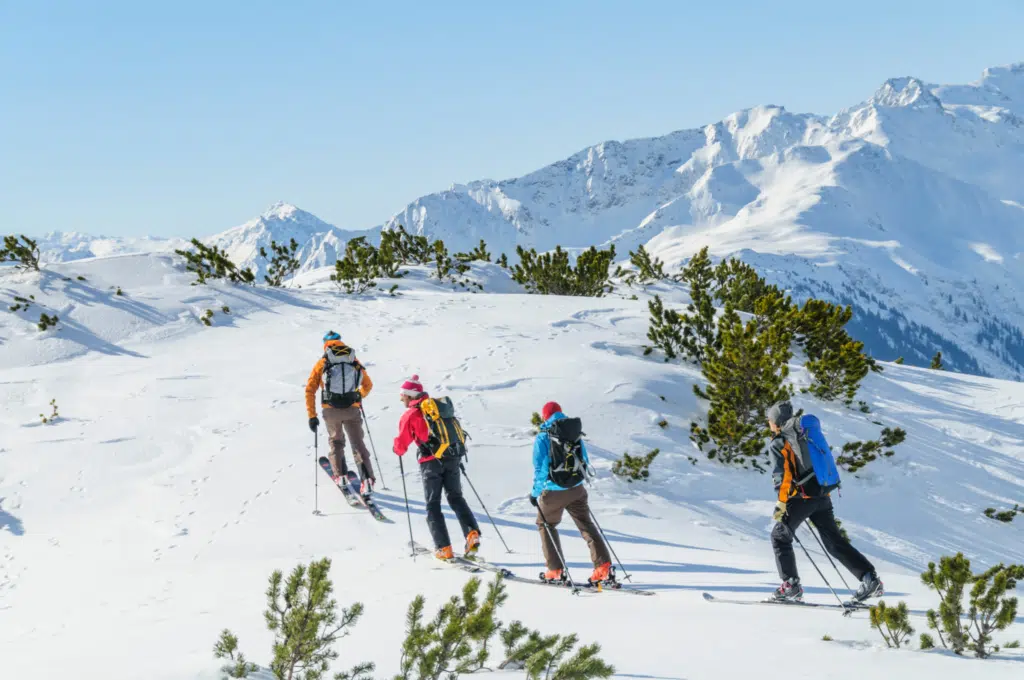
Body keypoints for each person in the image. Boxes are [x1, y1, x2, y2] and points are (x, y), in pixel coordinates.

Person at [767, 400, 883, 603]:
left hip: (802, 497)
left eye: (769, 420)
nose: (769, 424)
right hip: (822, 494)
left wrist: (781, 503)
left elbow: (783, 476)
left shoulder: (780, 441)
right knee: (833, 541)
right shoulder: (804, 435)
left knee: (779, 536)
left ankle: (790, 586)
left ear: (776, 422)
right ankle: (869, 578)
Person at [392, 374, 481, 561]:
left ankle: (444, 548)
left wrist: (396, 448)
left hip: (430, 463)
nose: (401, 399)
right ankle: (472, 534)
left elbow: (401, 444)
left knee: (433, 505)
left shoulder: (411, 414)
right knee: (456, 497)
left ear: (410, 395)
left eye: (403, 395)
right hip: (452, 457)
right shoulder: (437, 409)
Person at [530, 401, 614, 585]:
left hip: (554, 491)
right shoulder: (573, 431)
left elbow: (541, 468)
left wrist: (535, 493)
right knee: (586, 524)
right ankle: (603, 568)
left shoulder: (544, 436)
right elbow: (584, 459)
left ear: (545, 415)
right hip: (577, 488)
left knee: (545, 524)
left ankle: (555, 570)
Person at [304, 331, 376, 496]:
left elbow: (310, 390)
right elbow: (368, 385)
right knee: (358, 444)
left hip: (331, 410)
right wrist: (358, 397)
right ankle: (367, 481)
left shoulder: (323, 362)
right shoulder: (353, 360)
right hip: (352, 409)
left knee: (336, 442)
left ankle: (341, 476)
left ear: (325, 344)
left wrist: (312, 415)